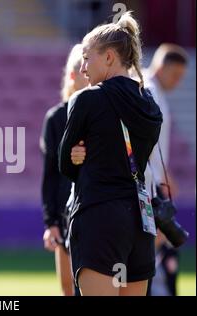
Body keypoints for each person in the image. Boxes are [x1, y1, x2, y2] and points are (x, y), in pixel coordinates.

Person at [59, 12, 162, 296]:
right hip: (142, 221)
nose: (82, 68)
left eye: (87, 58)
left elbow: (66, 164)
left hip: (99, 216)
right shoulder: (150, 103)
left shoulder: (86, 99)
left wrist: (78, 156)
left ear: (109, 57)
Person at [40, 44, 88, 296]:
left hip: (97, 211)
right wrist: (51, 222)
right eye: (83, 69)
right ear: (72, 75)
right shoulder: (56, 118)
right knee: (68, 289)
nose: (88, 73)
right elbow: (49, 175)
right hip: (66, 215)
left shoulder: (105, 112)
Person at [144, 43, 188, 296]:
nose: (178, 82)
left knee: (161, 236)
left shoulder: (155, 90)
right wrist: (160, 176)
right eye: (176, 75)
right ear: (161, 66)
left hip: (156, 179)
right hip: (150, 182)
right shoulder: (150, 90)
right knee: (159, 236)